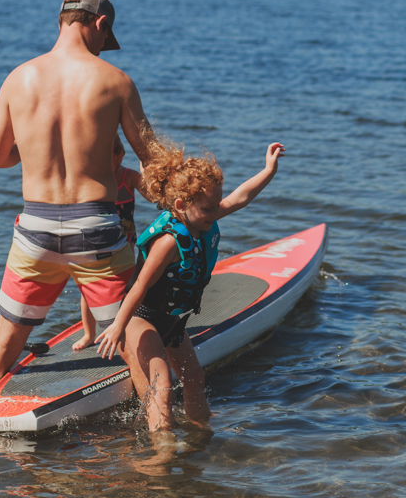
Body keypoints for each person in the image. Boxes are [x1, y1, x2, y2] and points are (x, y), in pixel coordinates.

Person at [0, 0, 153, 405]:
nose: (105, 46)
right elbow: (152, 160)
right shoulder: (115, 81)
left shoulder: (19, 78)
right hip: (97, 231)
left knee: (3, 346)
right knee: (135, 340)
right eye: (106, 38)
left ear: (61, 21)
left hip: (34, 231)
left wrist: (35, 149)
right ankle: (157, 444)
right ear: (101, 25)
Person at [95, 140, 285, 432]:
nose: (215, 212)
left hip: (173, 321)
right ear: (182, 206)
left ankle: (201, 432)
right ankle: (162, 449)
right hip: (140, 318)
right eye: (209, 208)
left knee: (195, 377)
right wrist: (118, 326)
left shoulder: (202, 218)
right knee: (162, 383)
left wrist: (268, 170)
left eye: (215, 205)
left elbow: (240, 198)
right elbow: (139, 287)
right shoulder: (169, 242)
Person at [72, 132, 149, 351]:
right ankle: (89, 334)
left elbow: (153, 196)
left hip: (125, 240)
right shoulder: (91, 178)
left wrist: (148, 171)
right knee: (88, 289)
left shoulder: (129, 177)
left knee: (128, 286)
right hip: (96, 242)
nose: (110, 165)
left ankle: (128, 327)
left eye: (114, 159)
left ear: (121, 154)